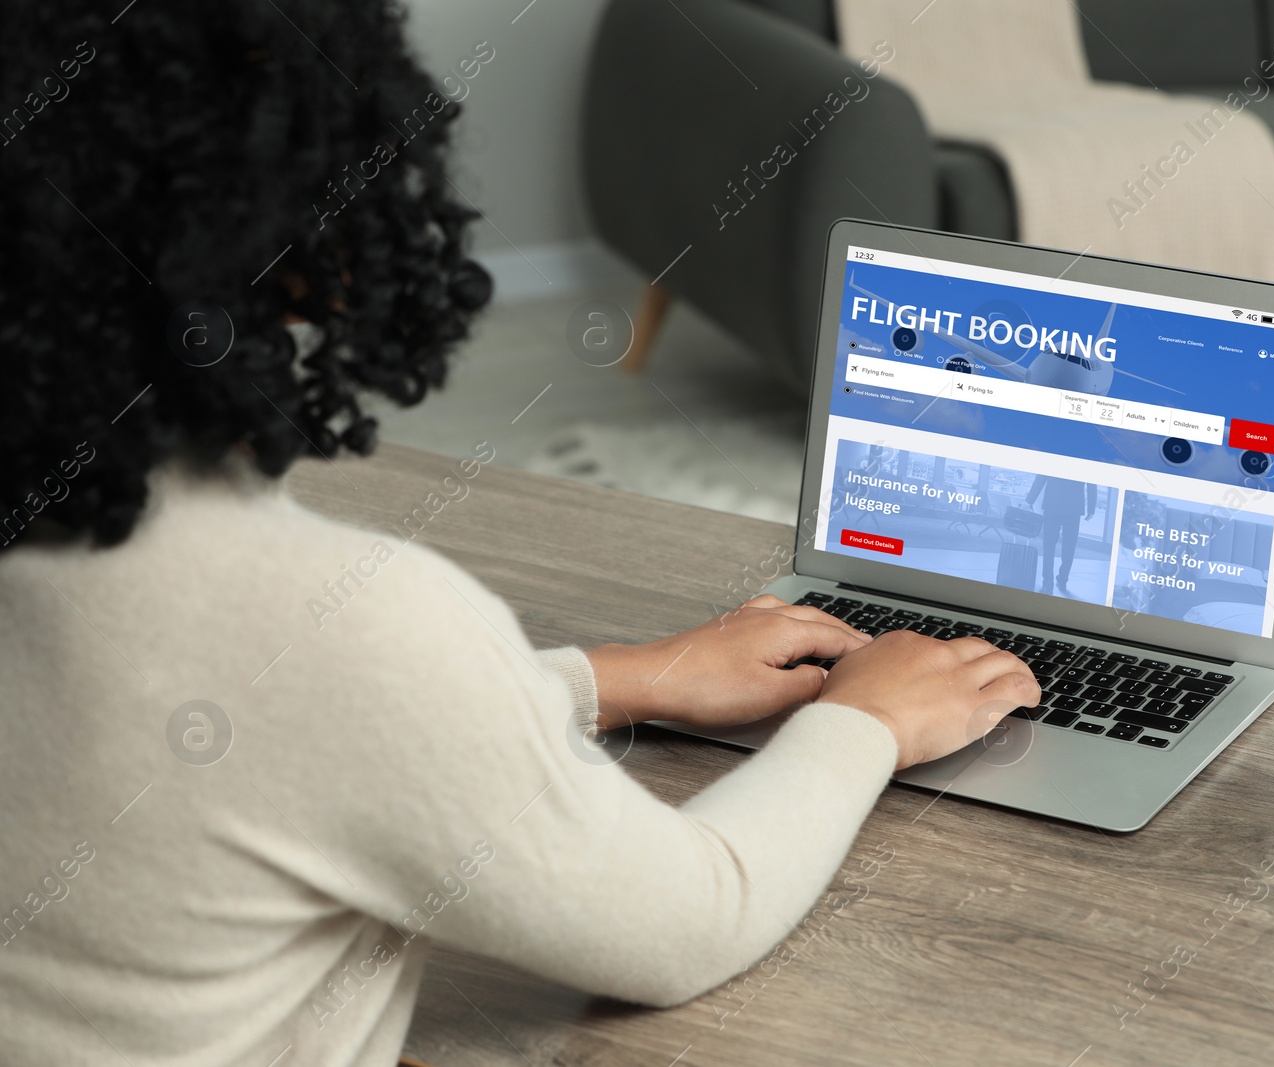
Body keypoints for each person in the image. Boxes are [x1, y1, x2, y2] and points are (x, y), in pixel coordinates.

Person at [0, 4, 1040, 1065]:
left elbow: (284, 736)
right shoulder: (344, 624)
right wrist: (866, 720)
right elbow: (689, 919)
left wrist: (614, 678)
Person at [1026, 475, 1098, 595]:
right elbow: (1092, 481)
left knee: (1049, 545)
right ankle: (1063, 580)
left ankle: (1047, 585)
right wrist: (1091, 508)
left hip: (1052, 504)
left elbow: (1042, 476)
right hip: (1074, 507)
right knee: (1069, 546)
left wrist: (1029, 500)